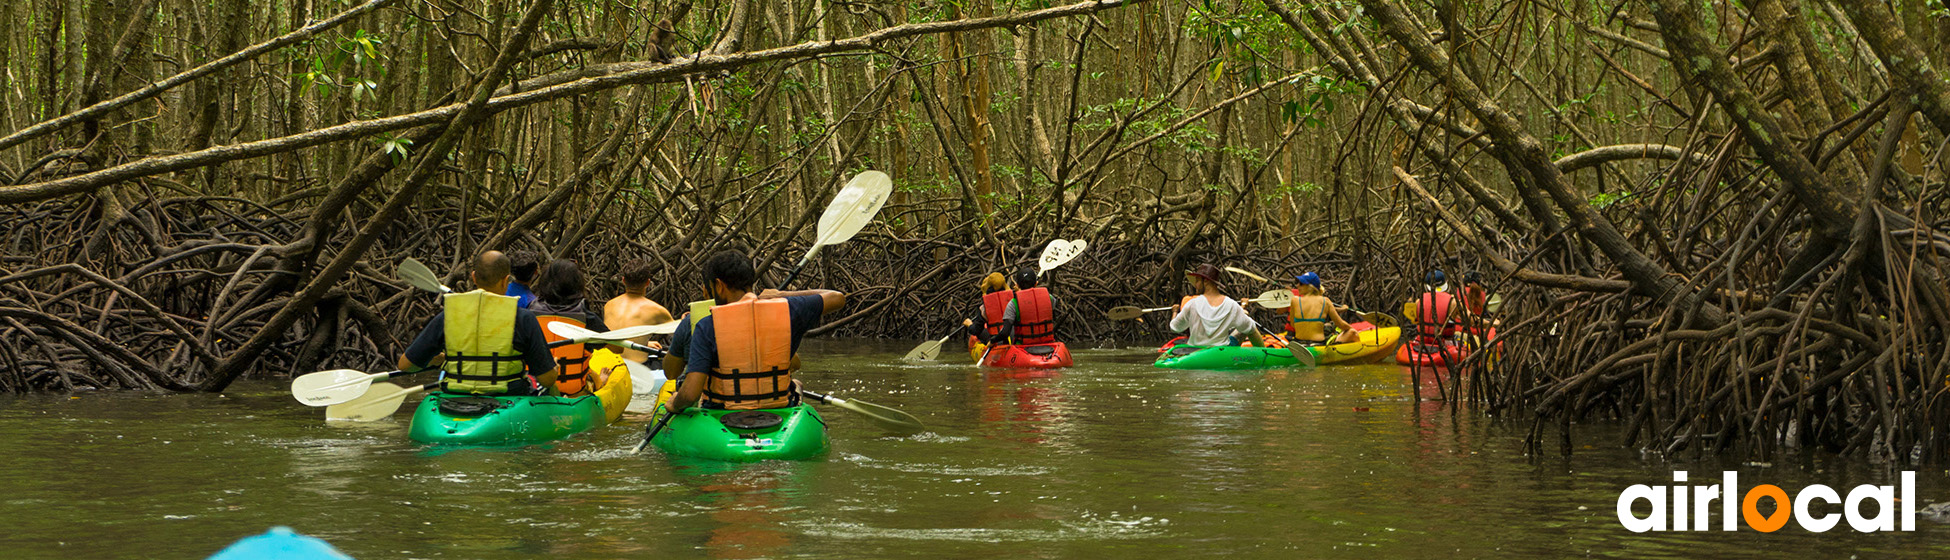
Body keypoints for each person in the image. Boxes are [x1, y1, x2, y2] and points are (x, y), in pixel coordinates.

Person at [667, 251, 846, 411]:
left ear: (719, 285)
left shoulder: (706, 325)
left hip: (723, 411)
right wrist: (783, 295)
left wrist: (674, 403)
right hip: (778, 407)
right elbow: (837, 297)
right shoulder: (790, 309)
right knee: (796, 383)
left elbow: (690, 395)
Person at [397, 251, 558, 395]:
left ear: (473, 277)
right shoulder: (523, 318)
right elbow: (547, 380)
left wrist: (437, 359)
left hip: (455, 395)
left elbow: (405, 365)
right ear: (506, 281)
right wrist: (554, 369)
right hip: (507, 395)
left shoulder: (449, 315)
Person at [529, 259, 612, 395]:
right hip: (574, 391)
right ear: (577, 284)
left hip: (537, 385)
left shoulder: (529, 313)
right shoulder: (586, 316)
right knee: (592, 374)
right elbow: (617, 348)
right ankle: (598, 382)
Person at [1168, 264, 1259, 347]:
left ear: (1206, 281)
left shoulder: (1191, 304)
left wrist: (1174, 312)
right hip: (1221, 352)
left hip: (1195, 351)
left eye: (1197, 281)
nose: (1195, 285)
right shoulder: (1231, 305)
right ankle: (1264, 353)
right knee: (1248, 325)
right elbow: (1251, 329)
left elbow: (1175, 328)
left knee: (1245, 322)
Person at [964, 268, 1059, 348]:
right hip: (1047, 344)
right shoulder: (1050, 298)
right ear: (1036, 283)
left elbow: (1004, 332)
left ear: (1017, 285)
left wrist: (992, 340)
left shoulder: (1013, 303)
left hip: (1022, 346)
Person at [602, 258, 673, 364]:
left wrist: (644, 343)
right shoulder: (656, 310)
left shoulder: (609, 305)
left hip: (605, 366)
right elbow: (679, 334)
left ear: (623, 280)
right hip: (635, 370)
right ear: (648, 283)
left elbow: (618, 336)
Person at [1287, 272, 1361, 346]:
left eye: (1301, 283)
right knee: (1353, 333)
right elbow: (1341, 324)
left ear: (1310, 286)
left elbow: (1293, 324)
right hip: (1319, 344)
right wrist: (1351, 328)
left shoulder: (1294, 300)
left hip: (1299, 344)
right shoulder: (1325, 301)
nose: (1297, 285)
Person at [1401, 269, 1461, 342]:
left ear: (1427, 286)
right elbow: (1470, 320)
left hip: (1421, 342)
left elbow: (1413, 319)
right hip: (1444, 343)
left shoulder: (1418, 301)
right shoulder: (1453, 302)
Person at [962, 272, 1009, 361]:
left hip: (996, 341)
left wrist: (969, 324)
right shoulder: (1013, 300)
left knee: (980, 331)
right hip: (1014, 339)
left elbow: (976, 330)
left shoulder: (984, 308)